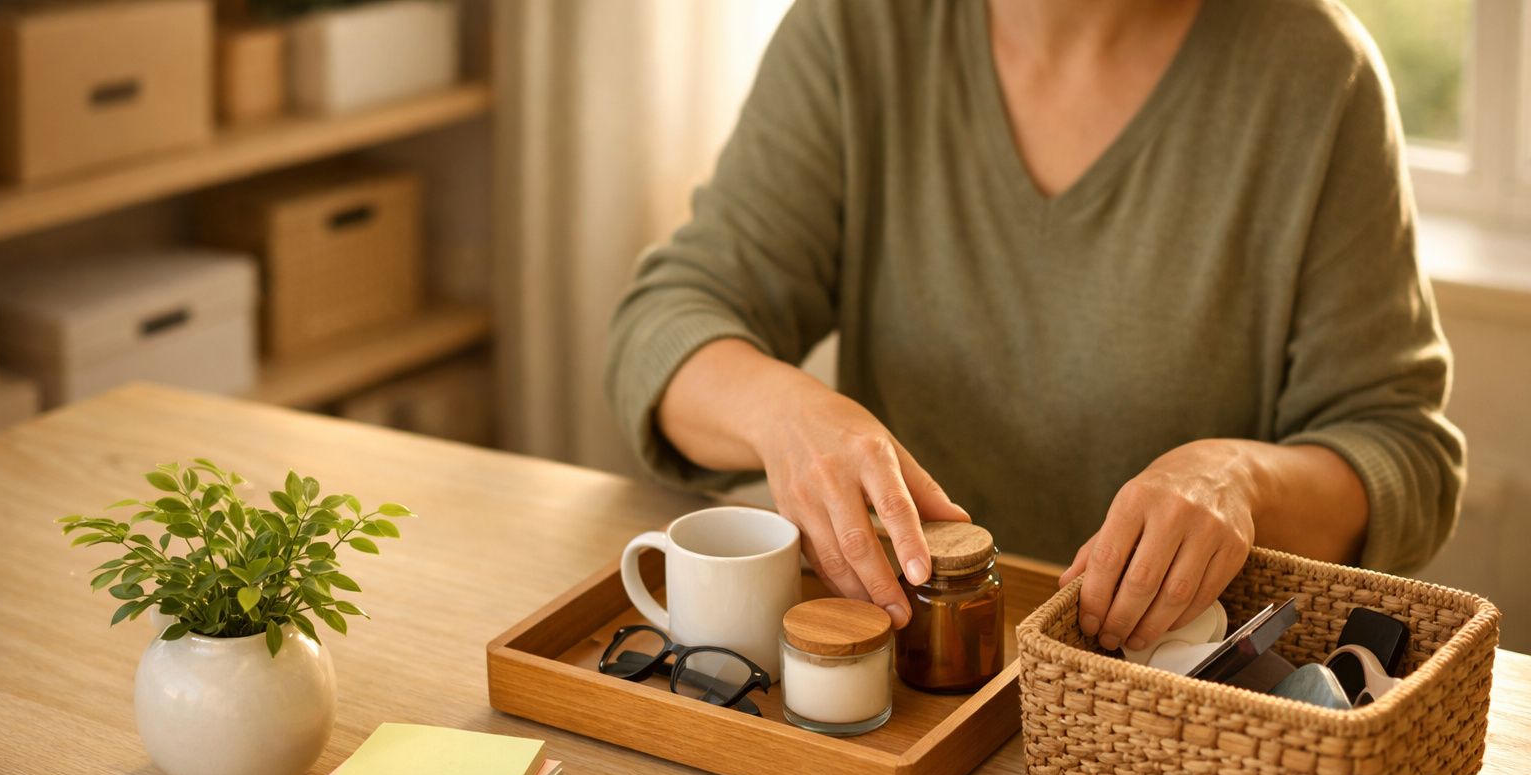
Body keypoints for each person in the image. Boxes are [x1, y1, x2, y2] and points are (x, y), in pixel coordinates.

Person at [604, 0, 1464, 656]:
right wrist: (783, 412)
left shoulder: (1316, 73)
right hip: (907, 687)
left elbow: (1406, 454)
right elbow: (667, 323)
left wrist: (1239, 481)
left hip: (1167, 712)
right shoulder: (859, 27)